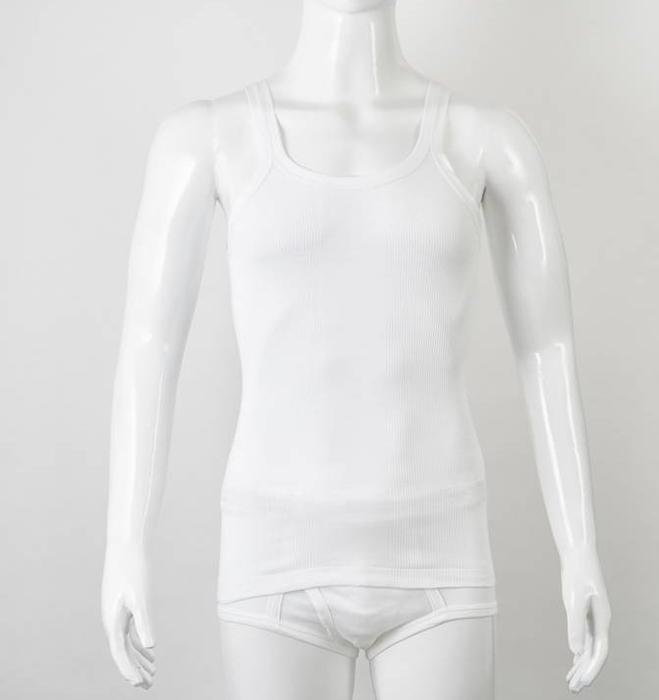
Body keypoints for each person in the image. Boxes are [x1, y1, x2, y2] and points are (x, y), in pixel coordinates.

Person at [101, 1, 611, 697]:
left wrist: (580, 549)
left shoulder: (484, 140)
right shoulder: (210, 138)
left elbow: (546, 348)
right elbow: (149, 347)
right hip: (274, 556)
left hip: (439, 553)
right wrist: (124, 545)